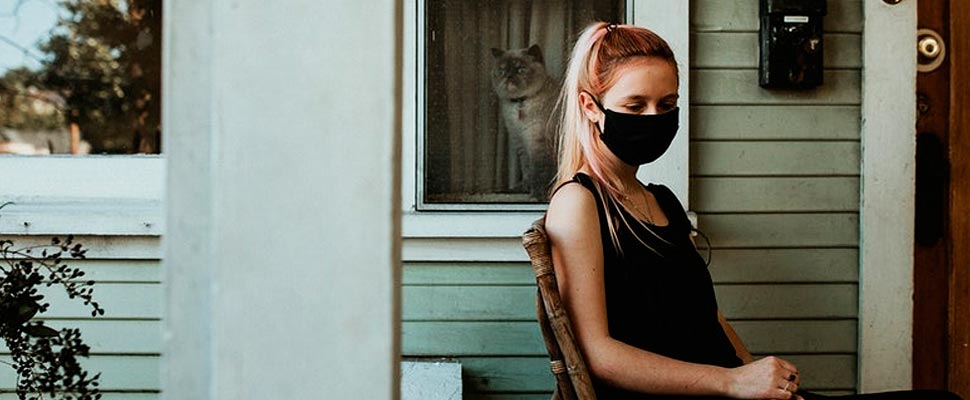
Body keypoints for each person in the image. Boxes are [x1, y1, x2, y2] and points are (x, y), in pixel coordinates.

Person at [543, 21, 962, 400]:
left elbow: (709, 316)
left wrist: (757, 377)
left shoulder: (659, 199)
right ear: (590, 106)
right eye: (636, 107)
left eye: (667, 105)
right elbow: (597, 356)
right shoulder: (579, 202)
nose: (654, 119)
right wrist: (732, 383)